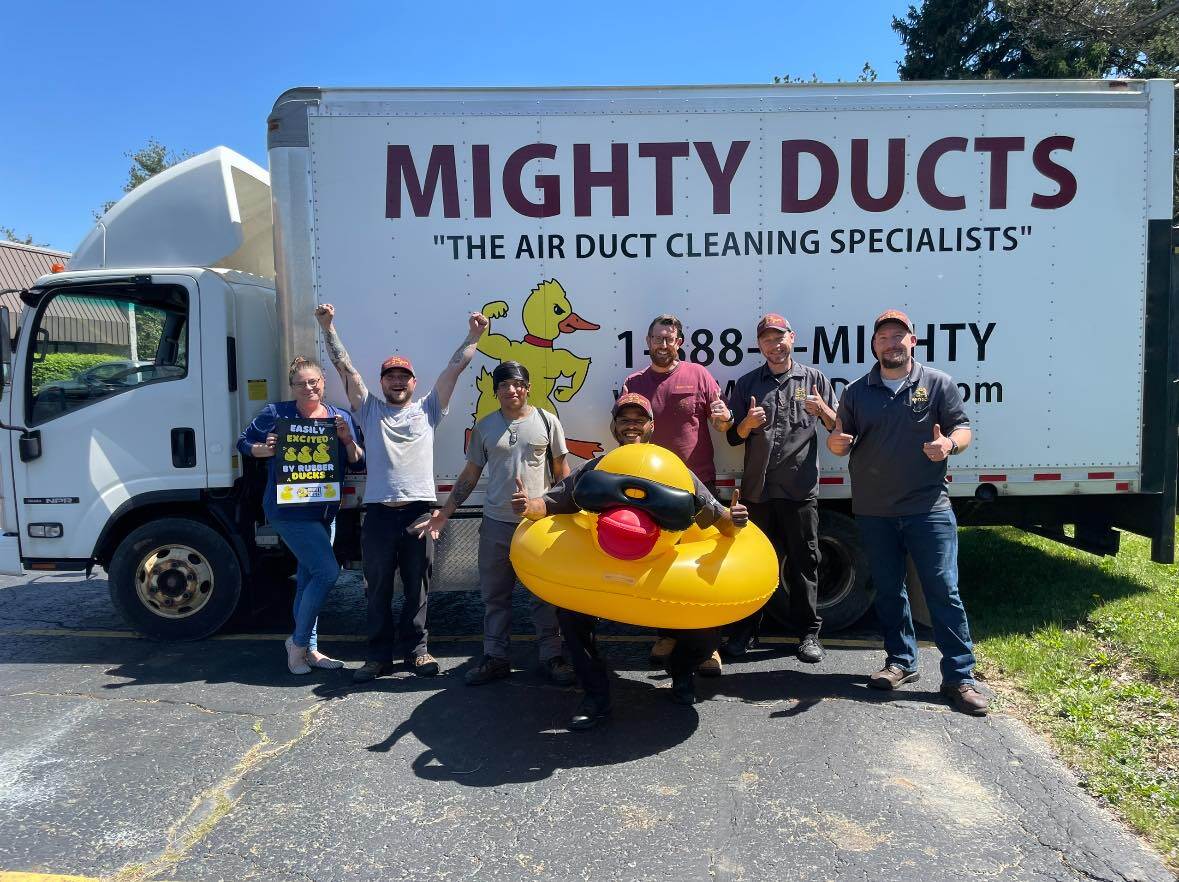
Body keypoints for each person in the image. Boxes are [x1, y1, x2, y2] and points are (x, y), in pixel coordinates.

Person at [516, 393, 749, 731]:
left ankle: (681, 672)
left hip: (658, 569)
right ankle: (596, 695)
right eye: (624, 420)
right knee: (570, 618)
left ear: (651, 427)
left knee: (705, 633)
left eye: (638, 420)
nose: (631, 425)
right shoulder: (597, 469)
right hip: (602, 565)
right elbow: (553, 503)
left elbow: (718, 517)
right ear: (614, 427)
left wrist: (735, 517)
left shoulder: (673, 471)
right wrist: (528, 506)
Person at [315, 302, 489, 683]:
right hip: (377, 515)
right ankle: (377, 658)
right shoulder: (368, 410)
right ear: (382, 383)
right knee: (376, 589)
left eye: (404, 377)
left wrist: (474, 336)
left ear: (413, 382)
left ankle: (418, 652)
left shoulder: (429, 409)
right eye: (390, 376)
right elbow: (345, 368)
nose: (397, 381)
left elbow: (454, 368)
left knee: (418, 587)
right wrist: (328, 328)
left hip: (419, 514)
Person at [826, 308, 988, 716]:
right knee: (888, 590)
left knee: (942, 591)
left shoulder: (936, 384)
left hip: (926, 507)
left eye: (899, 336)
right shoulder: (858, 391)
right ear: (874, 345)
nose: (891, 343)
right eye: (883, 337)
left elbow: (963, 428)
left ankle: (959, 677)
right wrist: (837, 444)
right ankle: (901, 662)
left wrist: (949, 445)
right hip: (874, 510)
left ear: (912, 341)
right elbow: (840, 438)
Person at [414, 360, 576, 687]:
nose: (511, 390)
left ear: (528, 388)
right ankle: (496, 657)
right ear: (496, 391)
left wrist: (569, 514)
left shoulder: (548, 422)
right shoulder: (485, 428)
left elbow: (562, 473)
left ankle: (552, 656)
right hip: (495, 525)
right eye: (504, 385)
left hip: (537, 525)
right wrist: (445, 512)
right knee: (495, 597)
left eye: (517, 384)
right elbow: (470, 476)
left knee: (544, 596)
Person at [716, 313, 836, 664]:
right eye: (767, 339)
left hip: (799, 489)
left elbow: (836, 426)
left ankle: (809, 635)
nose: (775, 344)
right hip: (758, 492)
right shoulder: (748, 383)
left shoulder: (813, 379)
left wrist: (824, 410)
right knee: (752, 565)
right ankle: (745, 631)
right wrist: (747, 425)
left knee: (804, 562)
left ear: (792, 338)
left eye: (779, 337)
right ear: (760, 345)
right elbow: (731, 436)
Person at [238, 355, 364, 674]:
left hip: (325, 510)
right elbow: (243, 443)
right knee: (327, 572)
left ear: (323, 382)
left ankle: (311, 648)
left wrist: (347, 440)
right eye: (301, 383)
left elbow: (358, 461)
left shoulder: (339, 417)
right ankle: (297, 644)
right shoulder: (276, 413)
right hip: (288, 510)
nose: (308, 388)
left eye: (314, 382)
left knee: (309, 578)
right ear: (292, 387)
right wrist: (264, 450)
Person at [620, 314, 730, 675]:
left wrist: (723, 418)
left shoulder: (698, 375)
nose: (663, 344)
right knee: (658, 564)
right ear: (647, 342)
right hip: (650, 491)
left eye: (670, 339)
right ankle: (666, 634)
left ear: (680, 342)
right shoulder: (633, 382)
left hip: (697, 487)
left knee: (703, 567)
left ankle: (709, 647)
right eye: (657, 338)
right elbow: (624, 428)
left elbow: (721, 419)